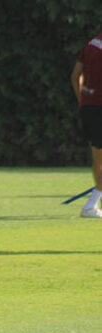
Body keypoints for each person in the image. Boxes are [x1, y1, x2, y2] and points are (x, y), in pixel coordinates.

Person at [71, 34, 102, 218]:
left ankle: (93, 204)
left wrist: (82, 100)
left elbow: (75, 76)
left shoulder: (91, 43)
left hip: (88, 108)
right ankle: (91, 205)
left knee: (98, 159)